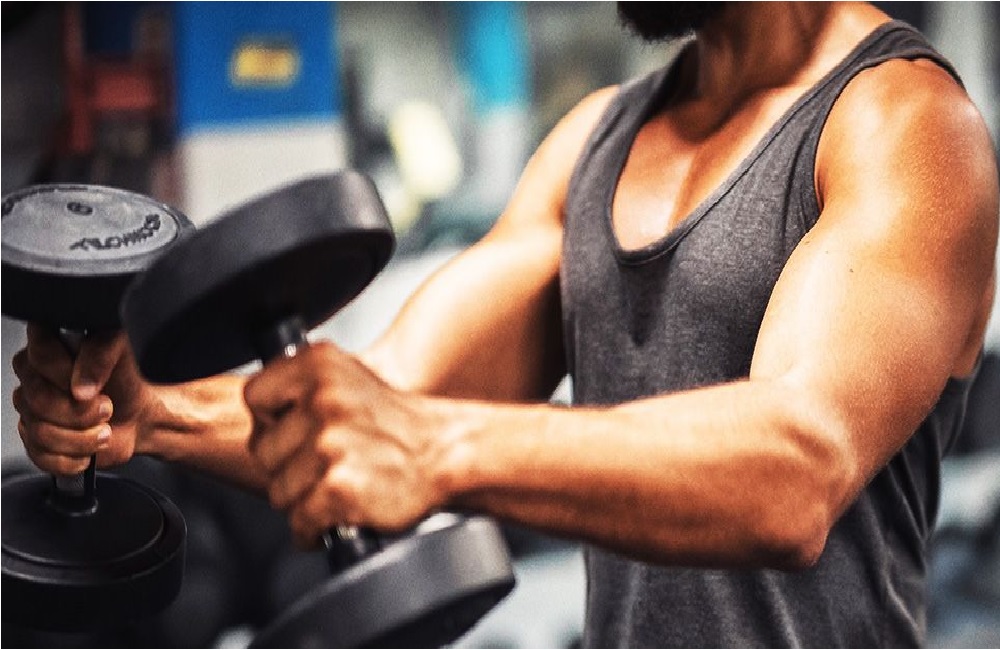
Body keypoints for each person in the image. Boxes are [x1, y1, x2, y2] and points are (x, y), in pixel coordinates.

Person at [13, 2, 999, 646]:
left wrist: (433, 447)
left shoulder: (905, 127)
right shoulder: (595, 143)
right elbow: (389, 398)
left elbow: (796, 470)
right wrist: (153, 412)